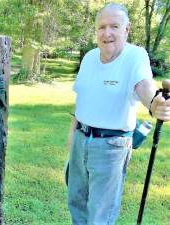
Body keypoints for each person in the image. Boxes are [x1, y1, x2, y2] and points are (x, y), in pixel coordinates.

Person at [67, 3, 170, 225]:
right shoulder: (89, 57)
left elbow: (143, 86)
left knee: (100, 214)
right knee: (76, 203)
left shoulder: (135, 56)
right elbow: (81, 100)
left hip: (110, 146)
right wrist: (72, 137)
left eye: (114, 26)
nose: (107, 33)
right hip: (80, 139)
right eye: (101, 27)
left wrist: (154, 103)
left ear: (127, 29)